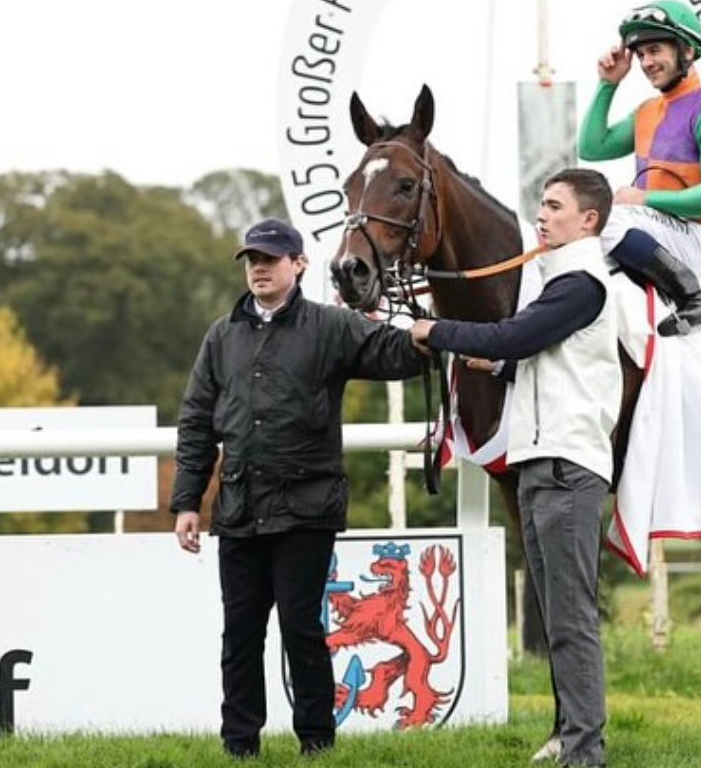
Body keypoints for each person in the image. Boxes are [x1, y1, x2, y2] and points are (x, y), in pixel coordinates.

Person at [170, 217, 425, 759]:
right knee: (239, 635)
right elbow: (196, 422)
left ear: (298, 264)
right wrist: (187, 502)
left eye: (269, 259)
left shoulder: (332, 326)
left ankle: (316, 741)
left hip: (307, 507)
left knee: (301, 629)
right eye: (251, 260)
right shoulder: (221, 335)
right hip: (238, 508)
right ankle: (239, 743)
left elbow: (397, 354)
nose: (258, 268)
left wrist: (433, 334)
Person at [411, 168, 621, 768]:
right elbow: (539, 356)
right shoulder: (559, 279)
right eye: (543, 203)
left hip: (564, 466)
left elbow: (517, 335)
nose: (543, 213)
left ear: (589, 221)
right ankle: (577, 744)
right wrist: (494, 365)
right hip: (540, 463)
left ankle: (584, 752)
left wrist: (436, 330)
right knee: (559, 616)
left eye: (555, 206)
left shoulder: (580, 281)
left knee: (571, 618)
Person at [577, 0, 701, 336]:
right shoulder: (647, 111)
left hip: (697, 237)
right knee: (574, 225)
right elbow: (591, 148)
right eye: (640, 55)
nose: (646, 62)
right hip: (653, 230)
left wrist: (644, 199)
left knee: (606, 216)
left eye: (655, 50)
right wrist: (608, 84)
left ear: (687, 51)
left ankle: (693, 298)